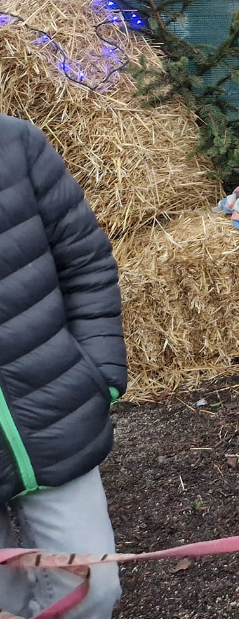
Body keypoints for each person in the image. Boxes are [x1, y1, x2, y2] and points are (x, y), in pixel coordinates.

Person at [0, 115, 125, 619]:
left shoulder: (14, 143)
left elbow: (85, 262)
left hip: (52, 417)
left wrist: (99, 372)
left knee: (94, 588)